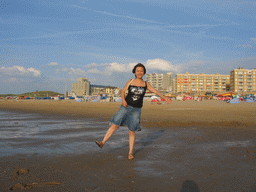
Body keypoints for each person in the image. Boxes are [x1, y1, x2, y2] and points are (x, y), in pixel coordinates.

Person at [95, 63, 172, 160]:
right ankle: (102, 142)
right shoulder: (130, 81)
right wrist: (123, 100)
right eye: (138, 71)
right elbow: (123, 91)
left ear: (144, 72)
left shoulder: (146, 84)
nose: (140, 72)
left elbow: (156, 92)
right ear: (135, 72)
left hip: (136, 110)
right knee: (115, 125)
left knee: (131, 131)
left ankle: (130, 152)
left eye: (141, 71)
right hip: (125, 107)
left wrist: (164, 98)